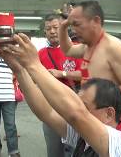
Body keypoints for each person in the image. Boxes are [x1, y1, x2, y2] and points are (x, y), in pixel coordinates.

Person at [0, 33, 121, 157]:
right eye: (79, 103)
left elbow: (76, 114)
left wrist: (34, 65)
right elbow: (47, 112)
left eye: (85, 107)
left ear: (109, 114)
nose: (78, 109)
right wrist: (19, 69)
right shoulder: (82, 137)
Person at [58, 0, 121, 99]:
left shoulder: (113, 47)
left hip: (104, 112)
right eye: (72, 25)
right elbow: (68, 50)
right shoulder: (88, 46)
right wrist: (63, 26)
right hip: (88, 111)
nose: (74, 30)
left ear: (96, 21)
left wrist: (97, 99)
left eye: (77, 24)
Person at [38, 13, 82, 157]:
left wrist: (62, 73)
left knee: (77, 148)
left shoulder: (76, 49)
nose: (52, 31)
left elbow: (85, 74)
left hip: (74, 106)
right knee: (54, 150)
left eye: (55, 27)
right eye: (48, 28)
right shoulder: (40, 54)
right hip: (51, 108)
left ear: (63, 28)